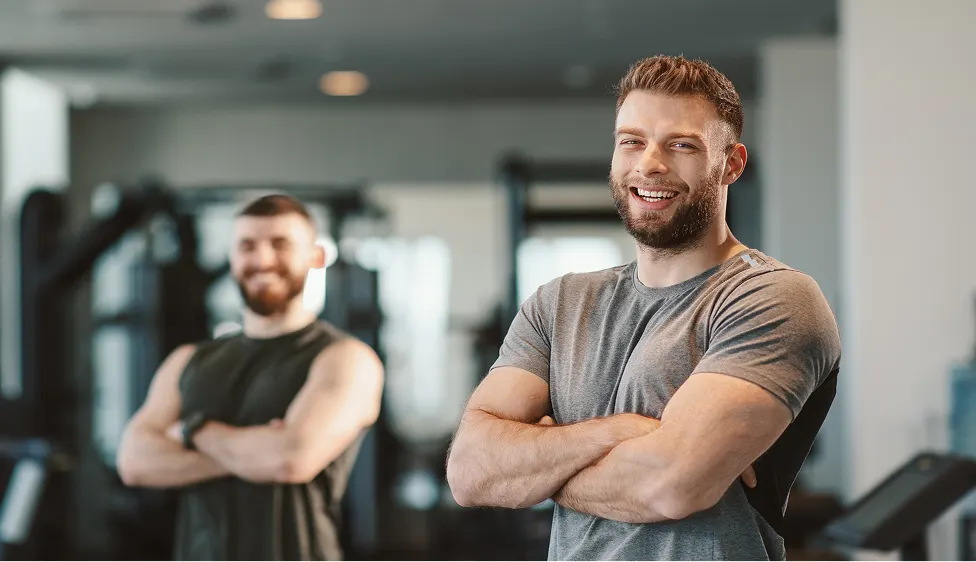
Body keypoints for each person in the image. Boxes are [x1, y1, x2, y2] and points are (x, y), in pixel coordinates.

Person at [446, 55, 841, 560]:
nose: (649, 163)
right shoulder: (559, 303)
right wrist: (619, 433)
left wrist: (536, 467)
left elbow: (672, 485)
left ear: (732, 164)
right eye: (631, 141)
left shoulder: (772, 299)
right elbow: (470, 471)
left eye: (681, 145)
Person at [117, 194, 384, 561]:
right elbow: (134, 462)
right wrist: (256, 453)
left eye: (280, 244)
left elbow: (290, 460)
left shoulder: (345, 359)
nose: (262, 260)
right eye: (247, 246)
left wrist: (192, 432)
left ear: (316, 257)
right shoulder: (188, 361)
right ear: (231, 258)